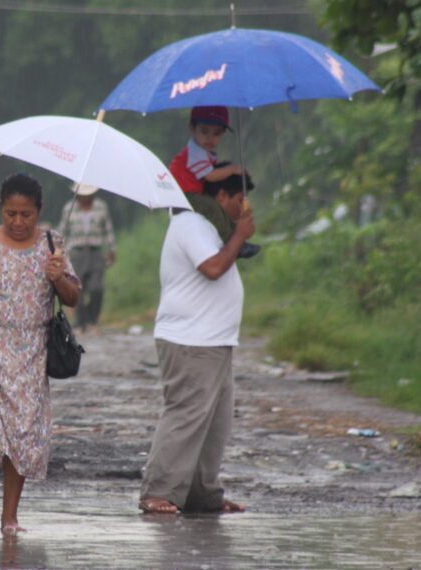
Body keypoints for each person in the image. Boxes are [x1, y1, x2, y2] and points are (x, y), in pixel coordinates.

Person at [0, 173, 81, 536]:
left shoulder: (52, 244)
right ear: (1, 209)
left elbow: (72, 297)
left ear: (39, 212)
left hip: (30, 354)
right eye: (11, 214)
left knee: (21, 434)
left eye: (26, 215)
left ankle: (10, 517)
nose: (18, 222)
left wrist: (58, 276)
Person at [138, 170, 254, 515]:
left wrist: (236, 235)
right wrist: (240, 236)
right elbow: (214, 268)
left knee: (216, 423)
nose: (242, 207)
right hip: (191, 340)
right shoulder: (191, 224)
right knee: (186, 417)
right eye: (238, 200)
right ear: (221, 197)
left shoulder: (212, 228)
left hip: (215, 341)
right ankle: (157, 491)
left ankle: (203, 494)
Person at [169, 105, 261, 259]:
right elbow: (210, 176)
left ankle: (237, 239)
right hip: (184, 195)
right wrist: (233, 169)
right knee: (212, 207)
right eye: (204, 131)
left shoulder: (204, 152)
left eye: (216, 133)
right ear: (193, 128)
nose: (210, 138)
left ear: (223, 133)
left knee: (219, 211)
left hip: (192, 192)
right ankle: (231, 243)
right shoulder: (195, 152)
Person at [56, 184, 116, 331]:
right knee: (77, 287)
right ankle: (80, 321)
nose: (86, 197)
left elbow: (108, 229)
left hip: (96, 251)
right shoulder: (69, 208)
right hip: (76, 252)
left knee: (96, 288)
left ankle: (92, 319)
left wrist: (112, 248)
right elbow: (62, 231)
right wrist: (58, 250)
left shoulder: (101, 207)